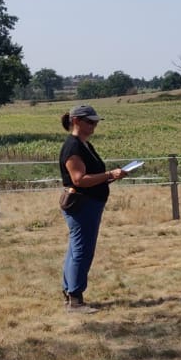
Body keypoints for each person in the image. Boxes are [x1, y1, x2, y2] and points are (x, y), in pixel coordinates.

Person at [58, 104, 126, 314]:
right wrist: (109, 175)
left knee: (76, 249)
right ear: (76, 121)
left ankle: (70, 292)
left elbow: (92, 177)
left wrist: (110, 177)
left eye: (96, 122)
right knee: (82, 251)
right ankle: (75, 300)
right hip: (83, 204)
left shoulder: (84, 145)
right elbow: (79, 179)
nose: (94, 125)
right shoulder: (73, 147)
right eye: (90, 121)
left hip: (88, 203)